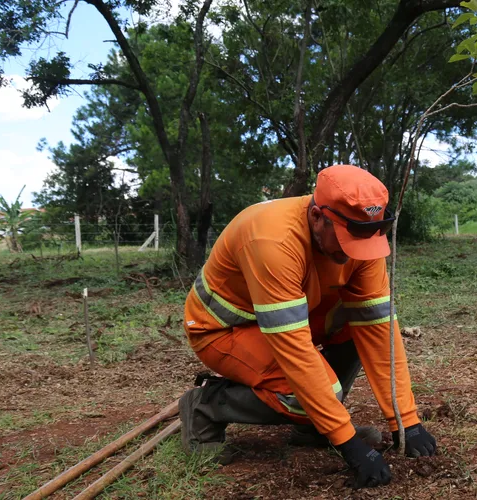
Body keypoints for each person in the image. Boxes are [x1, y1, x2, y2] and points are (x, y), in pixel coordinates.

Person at [179, 164, 436, 489]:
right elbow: (296, 354)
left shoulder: (363, 233)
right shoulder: (272, 239)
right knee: (308, 394)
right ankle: (206, 406)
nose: (356, 253)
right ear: (317, 217)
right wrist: (347, 442)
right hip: (225, 330)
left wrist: (406, 422)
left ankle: (313, 427)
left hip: (294, 317)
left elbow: (378, 328)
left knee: (359, 331)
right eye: (347, 240)